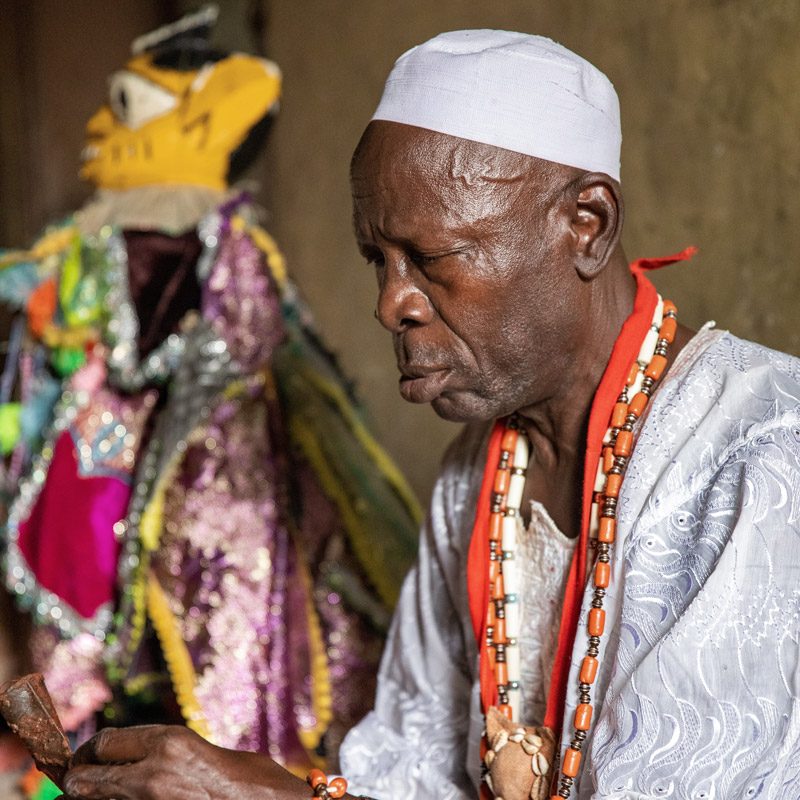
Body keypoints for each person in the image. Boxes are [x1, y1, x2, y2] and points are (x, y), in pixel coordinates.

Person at [61, 29, 800, 800]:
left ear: (587, 223)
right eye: (377, 260)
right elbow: (408, 774)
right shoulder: (479, 472)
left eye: (434, 258)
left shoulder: (763, 457)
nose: (391, 305)